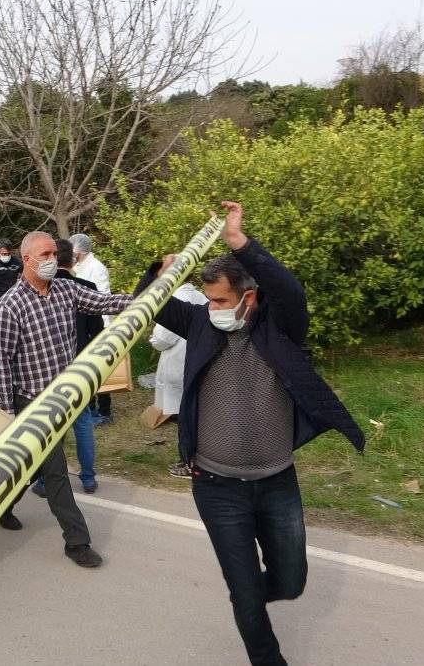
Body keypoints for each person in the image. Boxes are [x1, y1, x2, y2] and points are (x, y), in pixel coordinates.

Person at [138, 201, 365, 665]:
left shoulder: (280, 328)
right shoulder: (200, 324)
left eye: (221, 300)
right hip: (217, 487)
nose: (213, 309)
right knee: (245, 592)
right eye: (209, 300)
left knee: (290, 581)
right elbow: (150, 304)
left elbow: (290, 290)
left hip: (277, 482)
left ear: (249, 297)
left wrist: (239, 241)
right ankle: (260, 639)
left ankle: (249, 598)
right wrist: (159, 272)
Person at [0, 231, 133, 566]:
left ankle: (3, 508)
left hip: (65, 398)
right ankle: (76, 542)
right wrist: (8, 415)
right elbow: (1, 364)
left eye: (55, 253)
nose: (52, 259)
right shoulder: (9, 306)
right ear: (26, 259)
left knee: (27, 467)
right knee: (54, 470)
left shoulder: (68, 290)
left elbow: (105, 303)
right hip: (32, 406)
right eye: (45, 254)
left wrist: (149, 298)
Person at [52, 239, 102, 493]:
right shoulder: (87, 287)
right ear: (73, 260)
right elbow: (98, 330)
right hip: (81, 365)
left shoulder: (42, 288)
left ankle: (44, 479)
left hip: (49, 367)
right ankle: (88, 477)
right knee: (83, 423)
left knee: (52, 426)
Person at [148, 280, 208, 478]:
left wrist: (153, 338)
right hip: (196, 361)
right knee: (196, 415)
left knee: (185, 419)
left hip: (177, 365)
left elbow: (163, 337)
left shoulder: (177, 299)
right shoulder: (200, 296)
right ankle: (198, 460)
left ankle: (188, 463)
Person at [69, 233, 114, 426]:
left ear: (79, 251)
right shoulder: (79, 267)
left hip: (99, 327)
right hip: (85, 326)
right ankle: (91, 406)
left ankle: (104, 411)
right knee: (88, 371)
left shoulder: (97, 268)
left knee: (100, 371)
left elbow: (104, 299)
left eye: (73, 251)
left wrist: (103, 331)